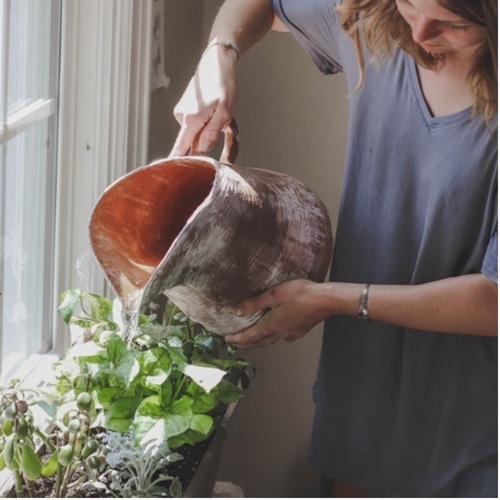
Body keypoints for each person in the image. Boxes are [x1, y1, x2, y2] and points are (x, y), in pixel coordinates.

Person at [171, 0, 498, 497]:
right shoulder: (372, 27)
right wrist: (221, 52)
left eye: (454, 23)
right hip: (358, 406)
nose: (423, 31)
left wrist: (328, 300)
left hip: (471, 436)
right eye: (411, 3)